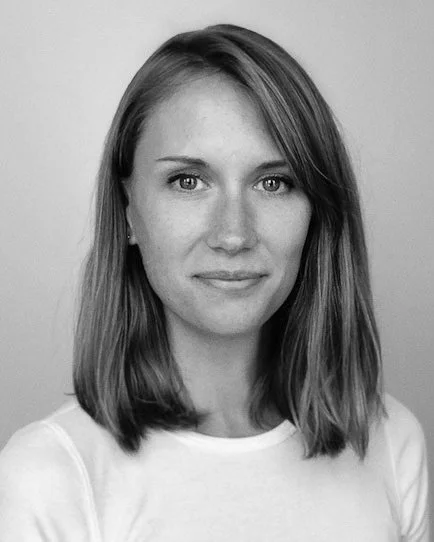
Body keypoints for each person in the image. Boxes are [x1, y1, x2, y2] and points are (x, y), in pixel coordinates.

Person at [0, 23, 429, 541]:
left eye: (273, 183)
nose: (233, 235)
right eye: (188, 181)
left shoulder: (390, 443)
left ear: (317, 211)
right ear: (127, 210)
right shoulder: (51, 477)